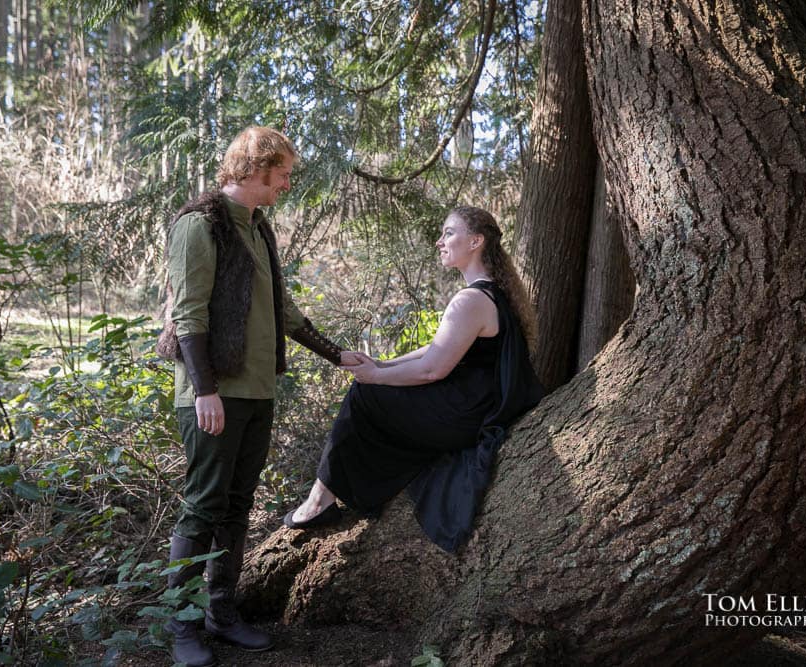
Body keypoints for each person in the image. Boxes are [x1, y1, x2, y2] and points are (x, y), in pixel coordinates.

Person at [156, 126, 364, 667]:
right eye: (283, 174)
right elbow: (188, 316)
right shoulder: (199, 225)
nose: (287, 184)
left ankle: (221, 615)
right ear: (253, 168)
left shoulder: (257, 228)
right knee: (203, 507)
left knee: (237, 505)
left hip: (257, 391)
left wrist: (337, 354)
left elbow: (283, 311)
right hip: (212, 394)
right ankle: (181, 627)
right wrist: (205, 391)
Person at [284, 205, 544, 552]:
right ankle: (336, 493)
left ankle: (320, 502)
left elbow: (432, 369)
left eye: (449, 232)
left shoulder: (470, 301)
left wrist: (375, 377)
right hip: (476, 409)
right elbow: (434, 348)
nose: (439, 241)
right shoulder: (491, 295)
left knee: (365, 395)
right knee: (374, 387)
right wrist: (383, 365)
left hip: (466, 416)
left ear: (476, 241)